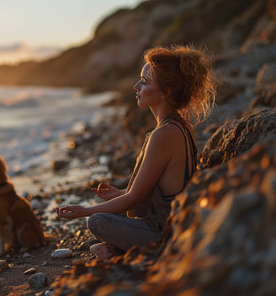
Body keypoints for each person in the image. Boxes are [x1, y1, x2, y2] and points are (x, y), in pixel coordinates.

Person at [56, 45, 216, 259]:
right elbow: (160, 190)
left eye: (145, 81)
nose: (136, 86)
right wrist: (119, 193)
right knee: (108, 213)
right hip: (170, 221)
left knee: (96, 221)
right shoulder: (180, 126)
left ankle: (129, 252)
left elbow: (135, 198)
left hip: (166, 232)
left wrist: (84, 210)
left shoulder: (164, 134)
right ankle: (118, 249)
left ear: (165, 92)